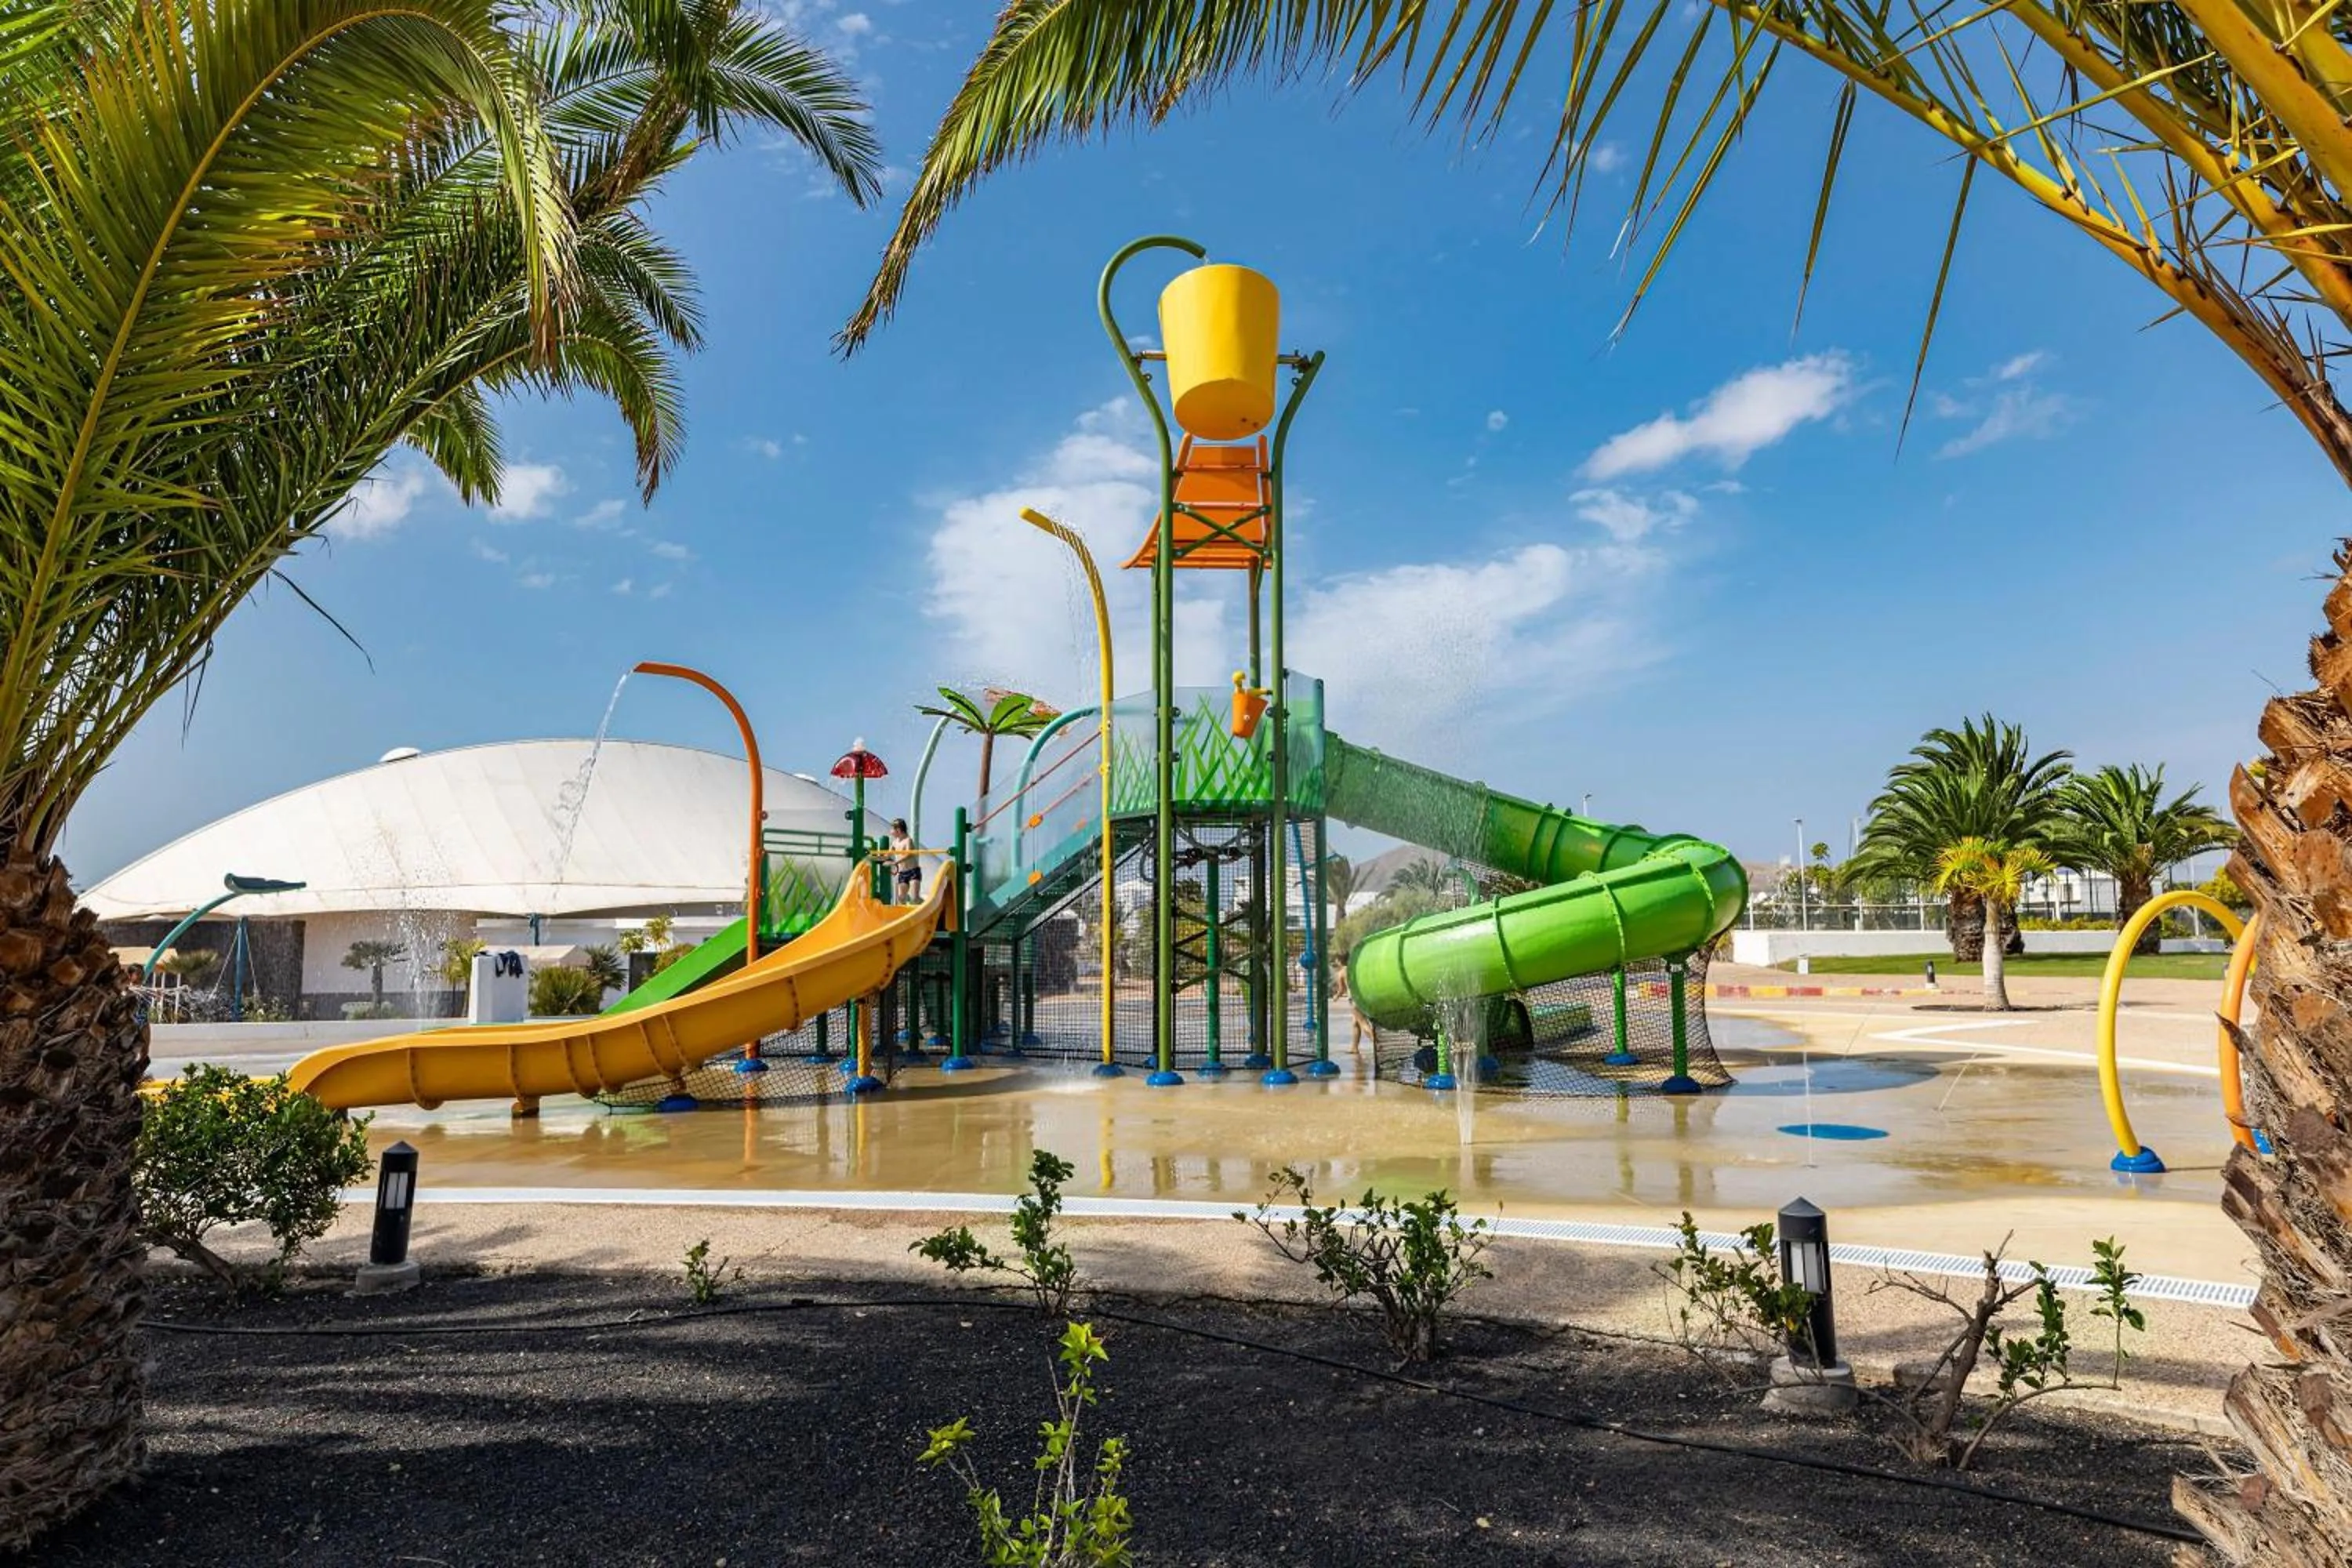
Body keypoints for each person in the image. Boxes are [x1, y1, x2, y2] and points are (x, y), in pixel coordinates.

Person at [886, 818, 920, 904]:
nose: (890, 832)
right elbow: (887, 855)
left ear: (898, 830)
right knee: (901, 898)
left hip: (913, 872)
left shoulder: (908, 840)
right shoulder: (895, 842)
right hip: (903, 873)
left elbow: (909, 854)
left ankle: (925, 905)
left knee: (914, 898)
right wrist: (878, 858)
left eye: (892, 829)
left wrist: (896, 862)